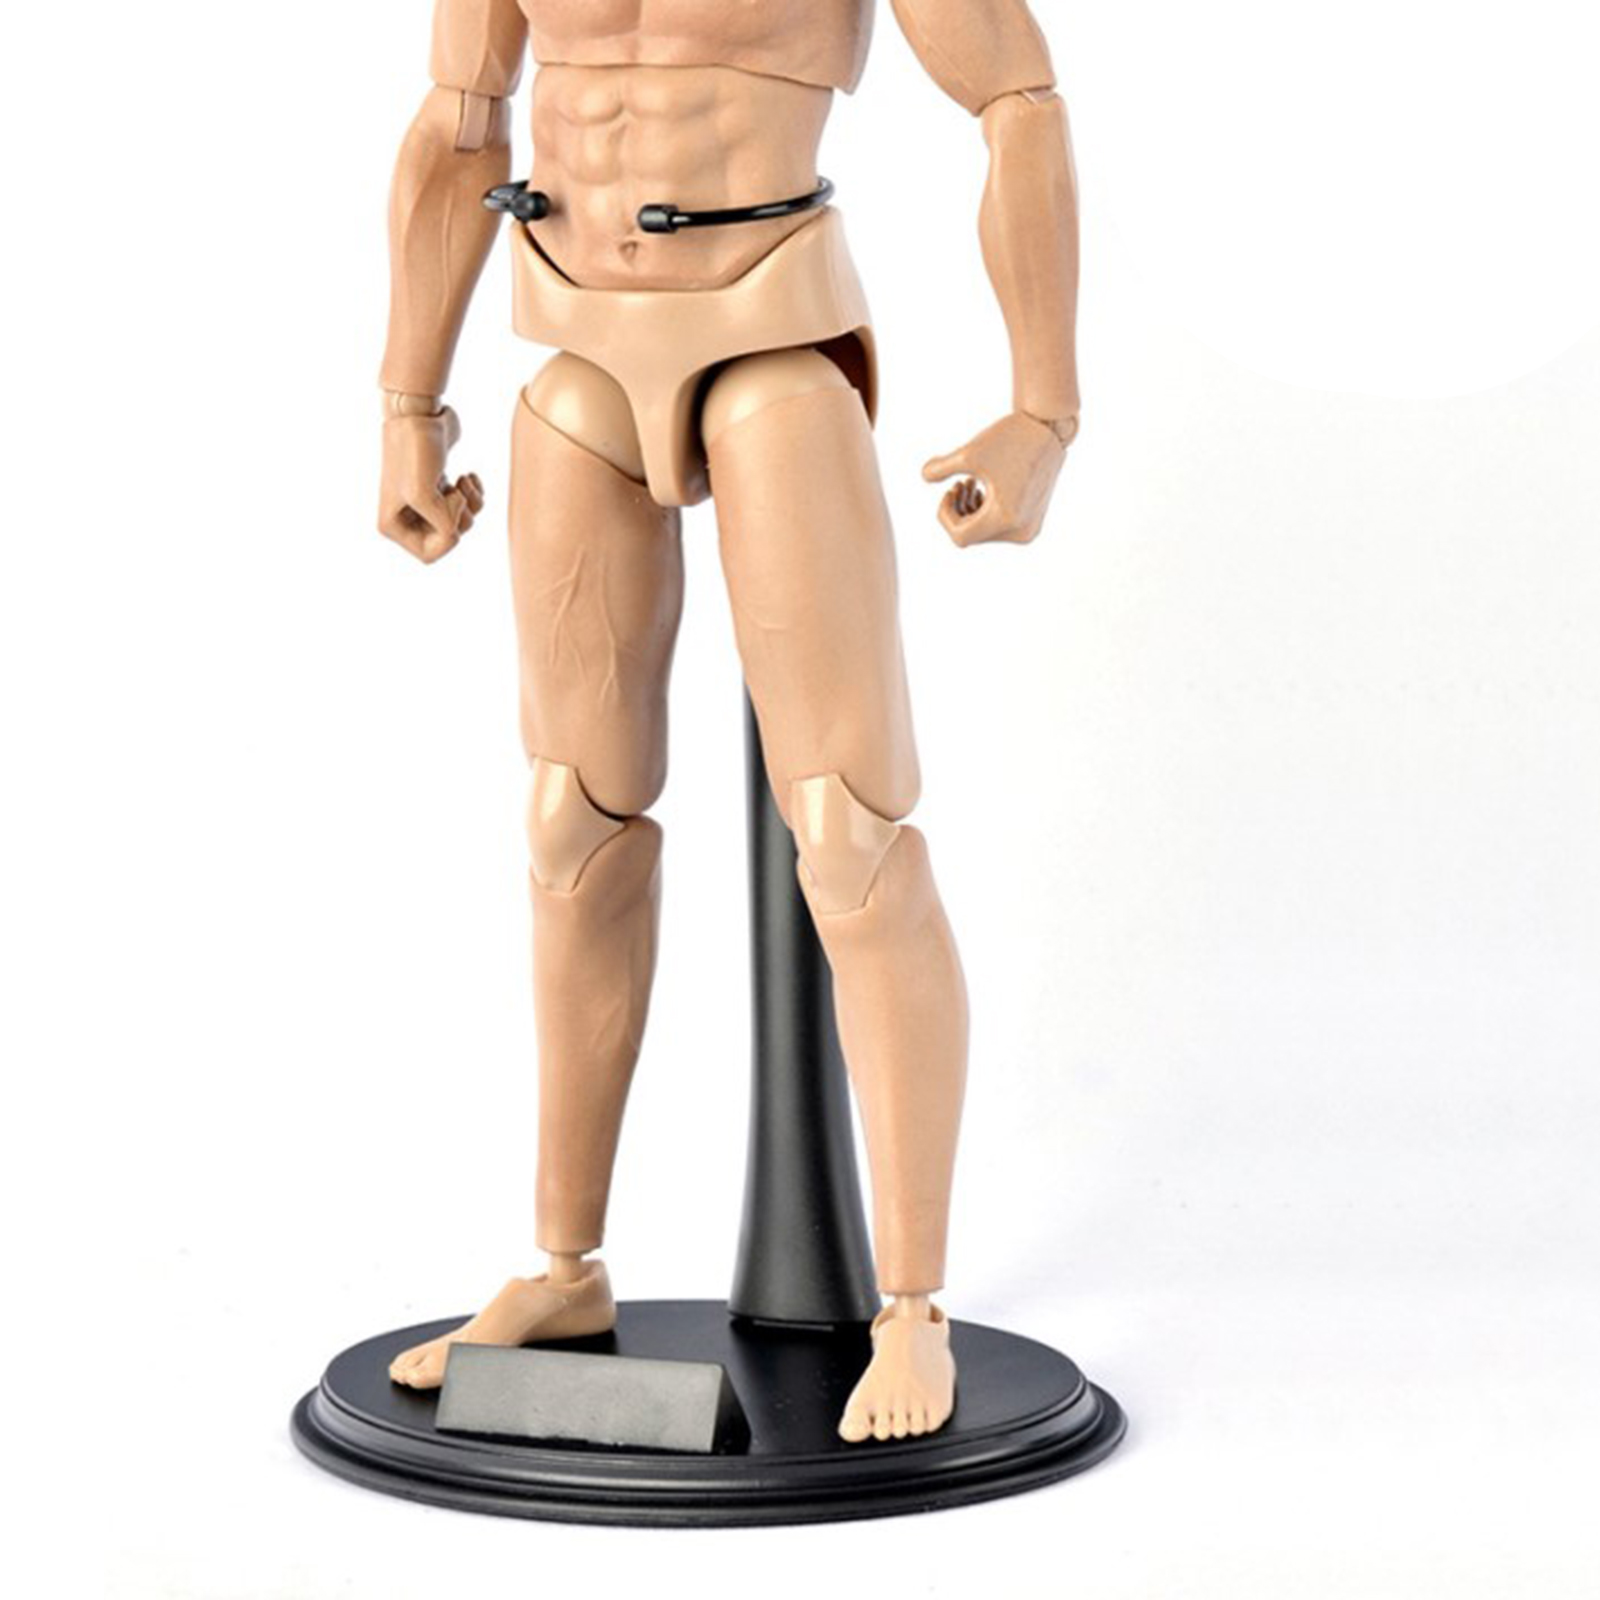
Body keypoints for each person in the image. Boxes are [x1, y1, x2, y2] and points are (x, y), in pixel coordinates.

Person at [377, 0, 1080, 1445]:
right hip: (574, 348)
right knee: (570, 824)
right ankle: (563, 1268)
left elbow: (1018, 102)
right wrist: (407, 402)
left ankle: (912, 1306)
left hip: (771, 339)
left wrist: (1041, 409)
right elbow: (459, 122)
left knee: (851, 834)